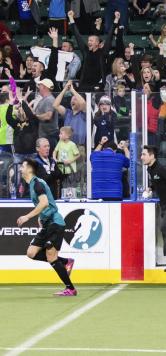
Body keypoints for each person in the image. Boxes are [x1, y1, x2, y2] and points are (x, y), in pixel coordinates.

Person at [18, 158, 76, 296]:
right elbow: (45, 203)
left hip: (55, 223)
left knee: (51, 257)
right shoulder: (32, 184)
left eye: (23, 166)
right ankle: (65, 261)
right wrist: (41, 217)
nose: (20, 168)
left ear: (30, 169)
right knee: (31, 253)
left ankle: (70, 288)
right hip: (47, 224)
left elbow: (44, 203)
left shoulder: (37, 183)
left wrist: (27, 217)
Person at [68, 10, 117, 92]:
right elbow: (77, 36)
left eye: (91, 41)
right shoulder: (86, 52)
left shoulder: (103, 52)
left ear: (98, 43)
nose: (89, 42)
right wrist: (71, 18)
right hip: (83, 87)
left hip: (98, 87)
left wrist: (116, 20)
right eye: (88, 40)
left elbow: (110, 36)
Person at [53, 81, 86, 150]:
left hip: (79, 146)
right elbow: (55, 105)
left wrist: (72, 90)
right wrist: (64, 89)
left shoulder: (84, 113)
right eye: (72, 99)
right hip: (66, 145)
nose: (72, 101)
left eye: (75, 99)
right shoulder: (67, 112)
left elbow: (83, 103)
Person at [53, 126, 80, 198]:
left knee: (71, 185)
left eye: (61, 134)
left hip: (70, 169)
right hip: (62, 169)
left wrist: (70, 161)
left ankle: (72, 197)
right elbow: (55, 151)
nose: (59, 135)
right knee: (63, 185)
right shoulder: (60, 143)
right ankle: (64, 197)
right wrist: (55, 159)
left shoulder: (72, 144)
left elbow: (78, 155)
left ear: (67, 136)